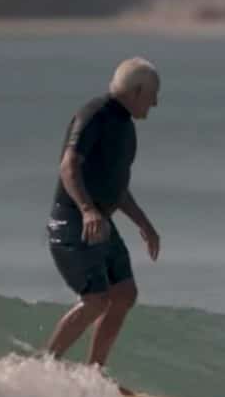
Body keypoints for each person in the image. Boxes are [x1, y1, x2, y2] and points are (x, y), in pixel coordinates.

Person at [44, 57, 161, 368]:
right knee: (96, 301)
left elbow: (116, 188)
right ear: (136, 91)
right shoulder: (94, 115)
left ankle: (94, 371)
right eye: (153, 95)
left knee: (124, 294)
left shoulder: (126, 128)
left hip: (99, 221)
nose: (156, 103)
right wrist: (86, 210)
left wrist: (144, 225)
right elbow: (68, 167)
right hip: (72, 222)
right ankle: (45, 365)